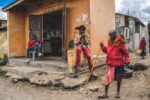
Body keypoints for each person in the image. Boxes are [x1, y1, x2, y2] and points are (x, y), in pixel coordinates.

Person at [98, 30, 130, 99]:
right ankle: (105, 94)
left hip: (118, 64)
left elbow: (125, 53)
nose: (110, 36)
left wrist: (127, 60)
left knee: (119, 79)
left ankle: (118, 92)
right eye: (109, 35)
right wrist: (102, 46)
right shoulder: (109, 41)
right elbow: (107, 51)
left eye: (111, 35)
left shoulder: (120, 41)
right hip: (110, 64)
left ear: (115, 34)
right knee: (107, 79)